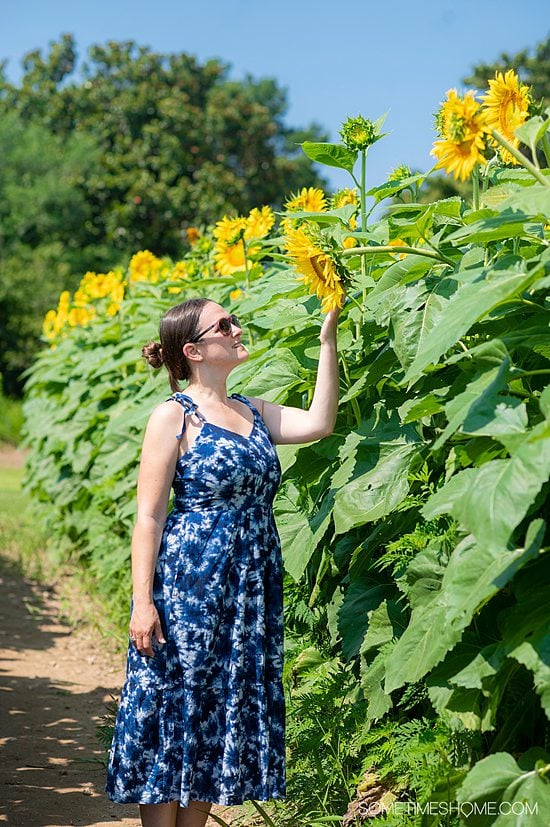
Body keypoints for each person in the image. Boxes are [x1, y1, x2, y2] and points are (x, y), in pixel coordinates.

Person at [106, 297, 340, 827]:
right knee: (177, 707)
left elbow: (320, 423)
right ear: (193, 350)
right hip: (189, 585)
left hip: (250, 587)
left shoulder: (253, 411)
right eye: (224, 325)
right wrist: (142, 603)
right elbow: (148, 517)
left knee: (219, 708)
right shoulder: (173, 417)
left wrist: (327, 339)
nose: (237, 328)